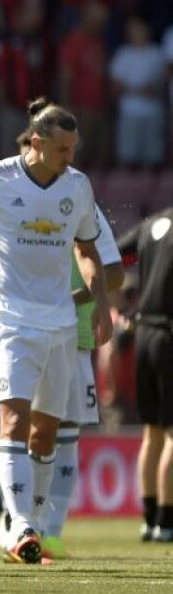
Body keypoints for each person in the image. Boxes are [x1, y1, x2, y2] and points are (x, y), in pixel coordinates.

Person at [0, 98, 111, 565]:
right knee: (14, 422)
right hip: (9, 320)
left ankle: (34, 529)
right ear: (37, 143)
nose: (71, 157)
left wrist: (99, 304)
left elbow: (87, 249)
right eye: (63, 149)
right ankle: (20, 522)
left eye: (74, 149)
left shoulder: (78, 187)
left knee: (46, 433)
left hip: (62, 323)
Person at [118, 206, 173, 542]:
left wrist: (120, 306)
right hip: (169, 335)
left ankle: (149, 519)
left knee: (152, 433)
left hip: (144, 335)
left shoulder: (153, 222)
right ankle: (167, 520)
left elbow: (109, 256)